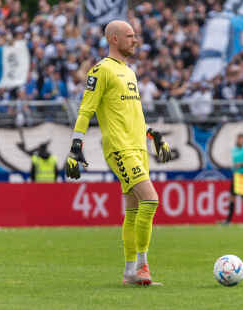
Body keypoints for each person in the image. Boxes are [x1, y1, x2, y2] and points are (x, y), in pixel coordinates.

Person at [64, 20, 171, 286]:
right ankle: (142, 267)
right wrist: (76, 146)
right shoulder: (102, 70)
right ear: (113, 39)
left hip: (138, 146)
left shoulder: (129, 71)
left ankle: (128, 273)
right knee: (151, 200)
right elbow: (86, 109)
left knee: (134, 210)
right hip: (120, 148)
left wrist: (153, 134)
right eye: (129, 36)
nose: (135, 40)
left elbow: (131, 115)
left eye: (134, 36)